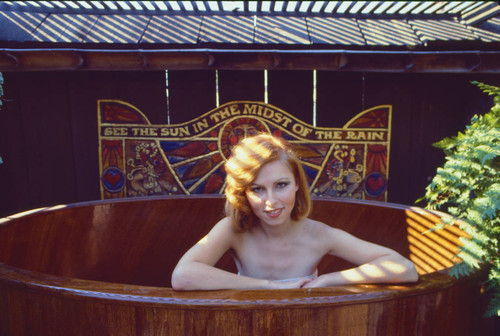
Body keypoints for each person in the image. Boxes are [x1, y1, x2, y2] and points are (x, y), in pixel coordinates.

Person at [171, 134, 418, 290]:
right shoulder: (232, 228)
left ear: (297, 183)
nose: (271, 202)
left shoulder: (320, 235)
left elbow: (404, 268)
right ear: (243, 193)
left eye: (281, 185)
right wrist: (269, 287)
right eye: (257, 189)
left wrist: (327, 280)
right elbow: (182, 276)